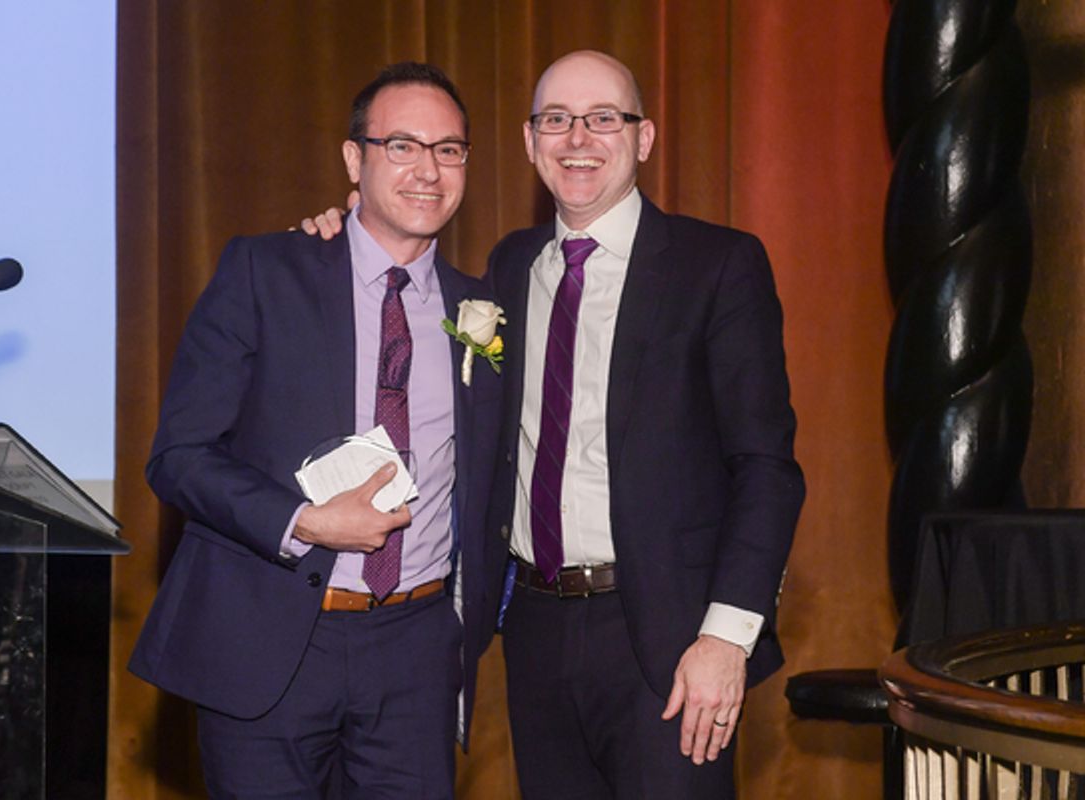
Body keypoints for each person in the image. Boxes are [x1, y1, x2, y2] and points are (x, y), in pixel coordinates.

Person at [303, 49, 803, 799]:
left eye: (604, 118)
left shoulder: (717, 265)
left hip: (669, 641)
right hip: (534, 629)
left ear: (644, 138)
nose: (578, 139)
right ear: (531, 142)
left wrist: (726, 637)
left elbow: (767, 466)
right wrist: (331, 238)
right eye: (557, 121)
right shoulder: (507, 268)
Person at [129, 62, 506, 799]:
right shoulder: (265, 271)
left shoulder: (485, 312)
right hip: (269, 642)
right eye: (402, 145)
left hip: (416, 650)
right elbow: (178, 456)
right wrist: (303, 520)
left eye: (449, 149)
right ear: (353, 159)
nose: (428, 169)